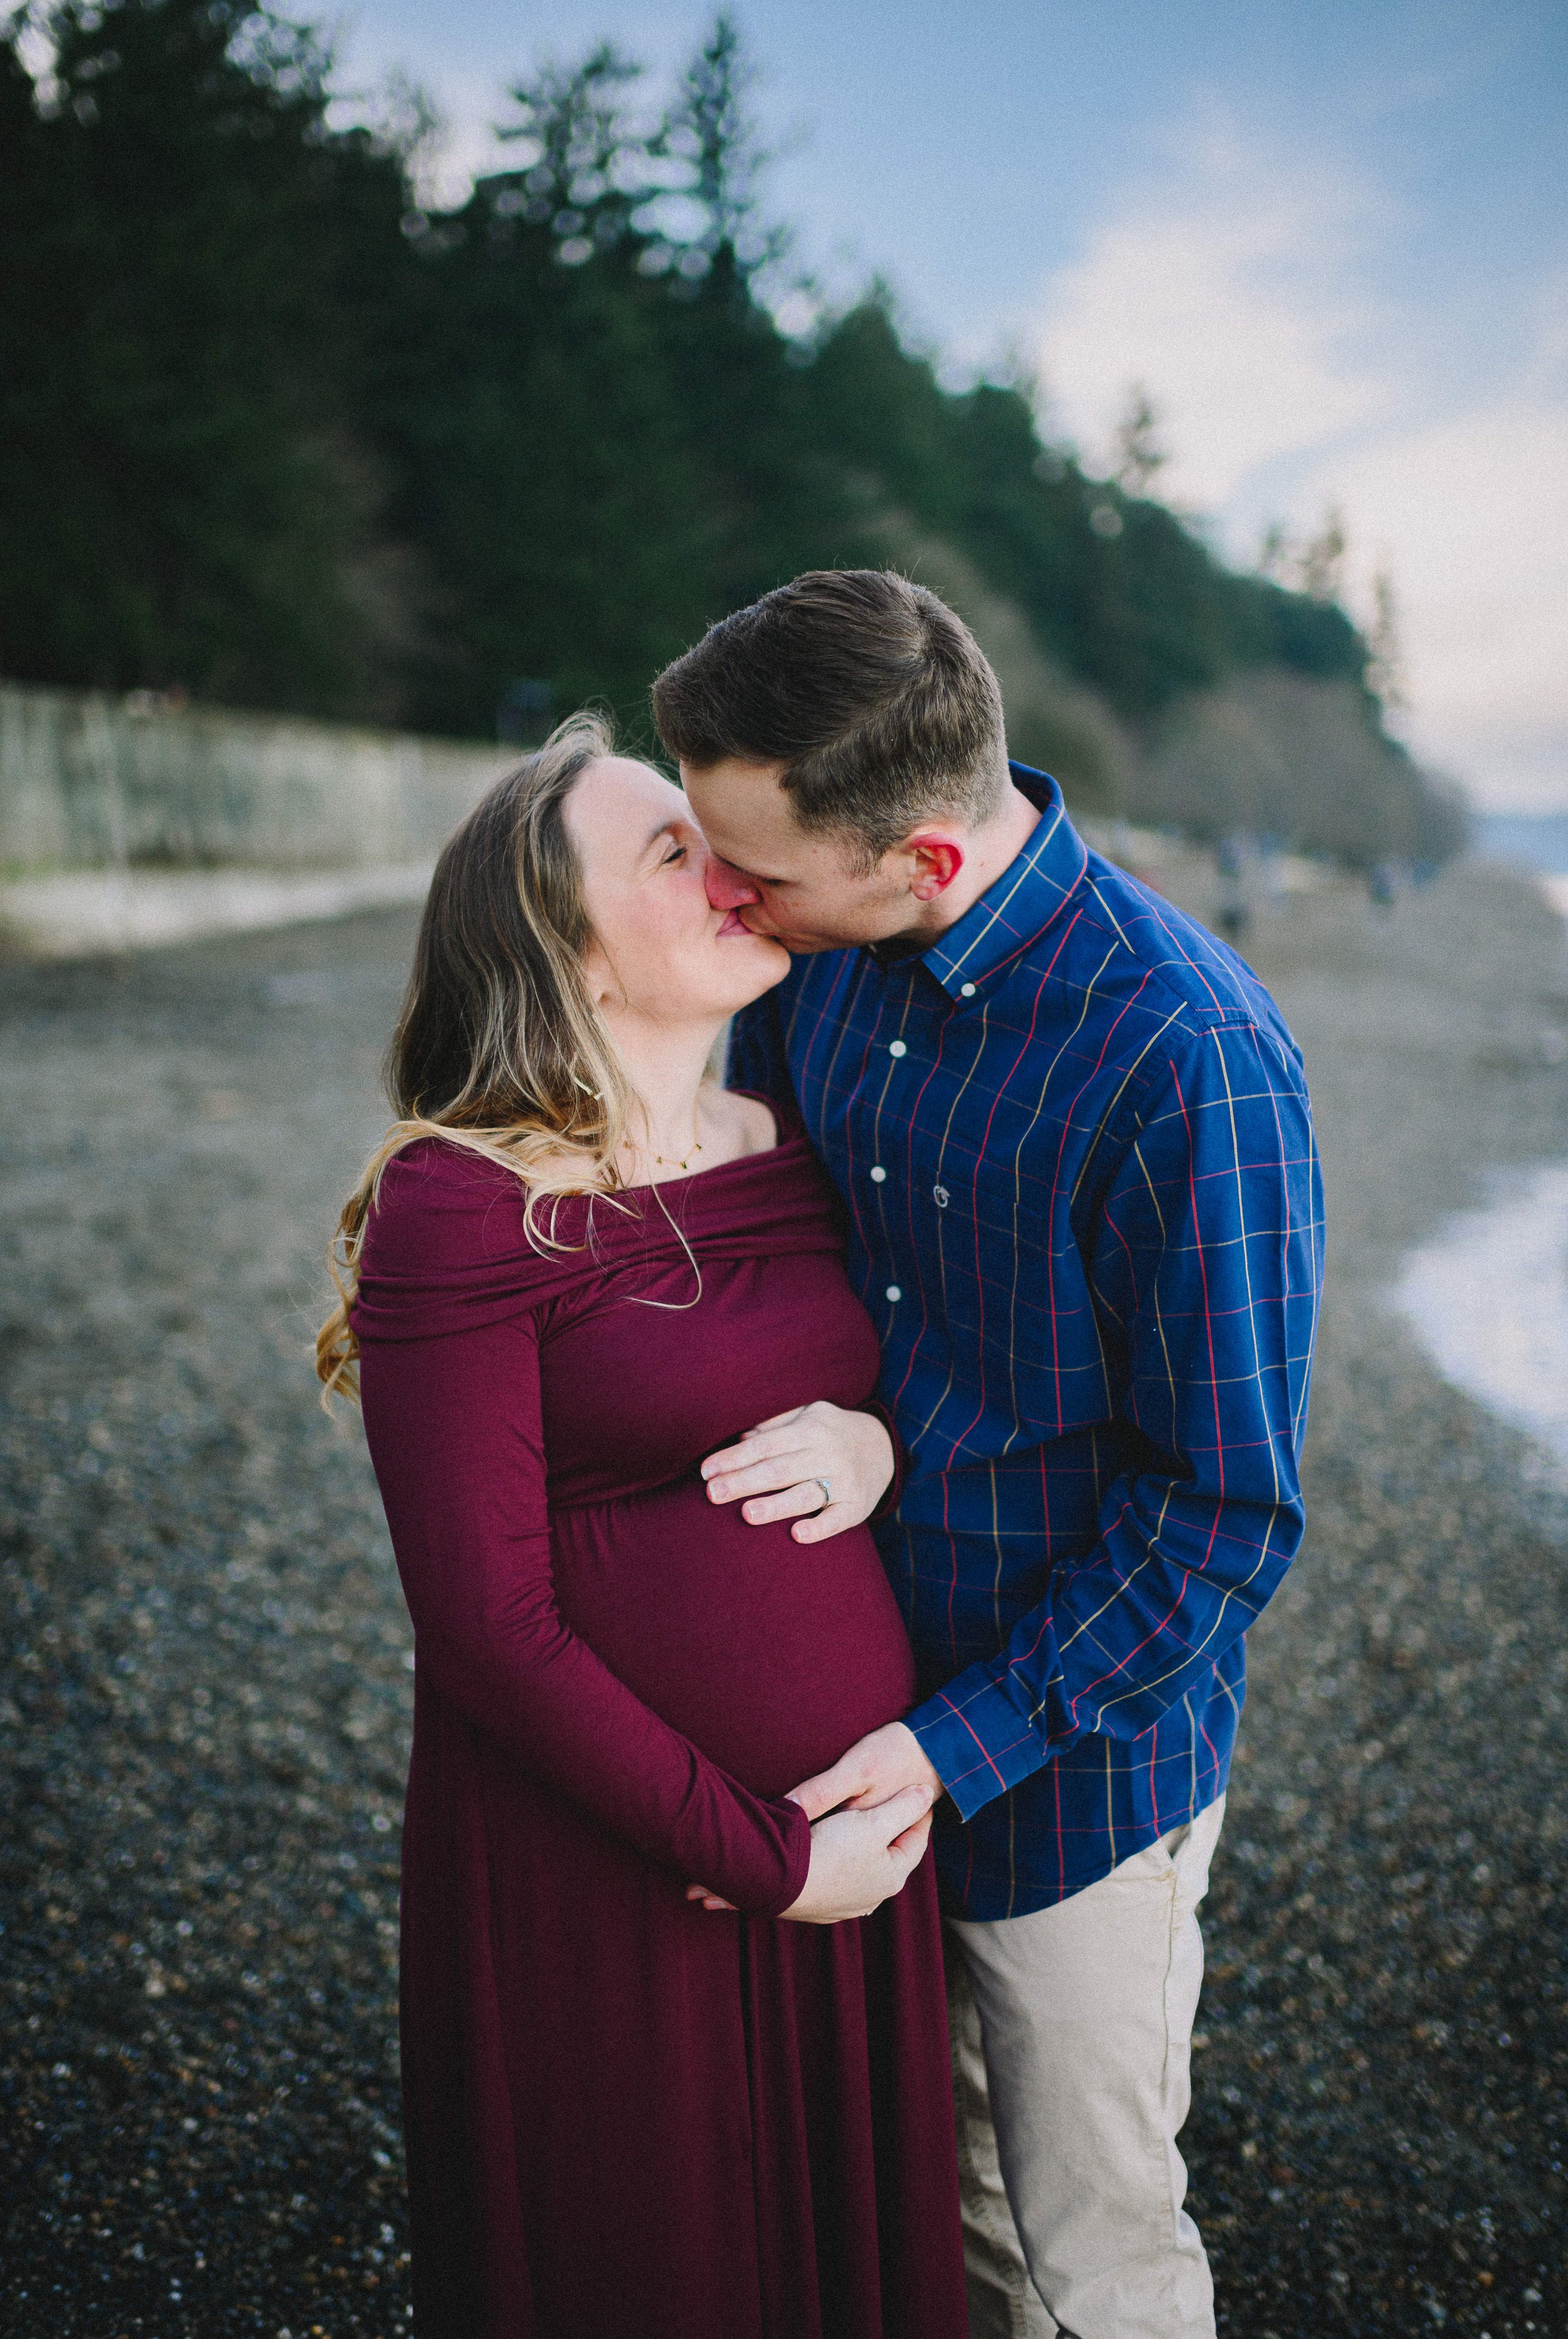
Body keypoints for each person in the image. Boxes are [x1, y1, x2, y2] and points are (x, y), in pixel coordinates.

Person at [654, 570, 1326, 2339]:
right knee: (941, 2221)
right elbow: (780, 1253)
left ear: (922, 863)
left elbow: (1224, 1515)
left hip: (1071, 1763)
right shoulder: (816, 970)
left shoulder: (1188, 1058)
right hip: (825, 1692)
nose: (723, 899)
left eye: (759, 874)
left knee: (1088, 2242)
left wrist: (952, 1751)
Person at [315, 714, 970, 2339]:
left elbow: (893, 1374)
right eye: (672, 850)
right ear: (566, 948)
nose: (731, 868)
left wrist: (878, 1442)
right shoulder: (460, 1205)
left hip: (843, 1845)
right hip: (621, 1871)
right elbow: (483, 1628)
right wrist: (761, 1862)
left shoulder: (789, 1144)